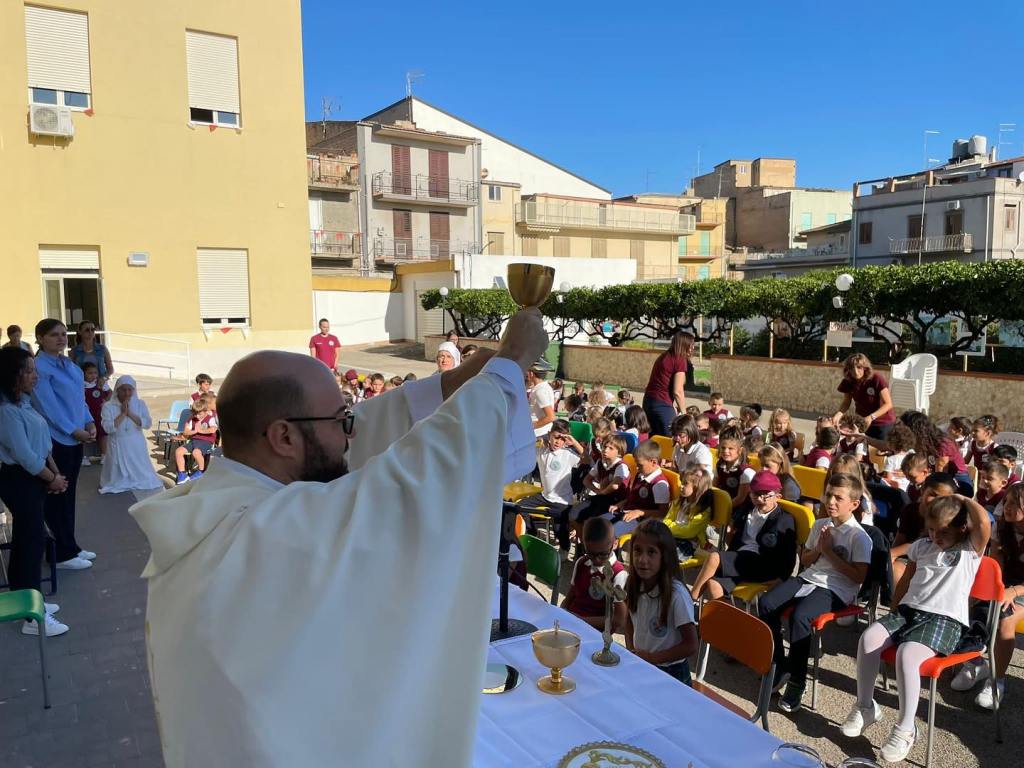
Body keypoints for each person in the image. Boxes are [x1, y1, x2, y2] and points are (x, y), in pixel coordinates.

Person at [131, 309, 545, 767]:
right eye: (342, 421)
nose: (352, 434)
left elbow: (362, 428)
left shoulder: (212, 502)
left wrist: (454, 384)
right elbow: (415, 483)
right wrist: (511, 362)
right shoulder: (270, 535)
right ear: (283, 437)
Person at [841, 494, 989, 763]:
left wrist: (961, 498)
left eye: (943, 532)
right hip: (909, 611)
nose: (936, 536)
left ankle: (906, 728)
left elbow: (984, 524)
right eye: (931, 529)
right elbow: (907, 579)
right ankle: (865, 707)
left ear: (961, 529)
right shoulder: (922, 546)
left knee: (907, 654)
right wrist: (895, 609)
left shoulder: (969, 550)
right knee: (869, 637)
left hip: (944, 619)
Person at [760, 474, 872, 713]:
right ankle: (781, 665)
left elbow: (859, 577)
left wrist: (830, 552)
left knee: (801, 617)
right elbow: (807, 560)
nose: (830, 501)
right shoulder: (821, 525)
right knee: (767, 602)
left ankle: (797, 681)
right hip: (810, 578)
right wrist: (820, 549)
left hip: (837, 588)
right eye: (829, 495)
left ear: (853, 504)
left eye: (838, 498)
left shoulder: (859, 537)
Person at [0, 347, 68, 636]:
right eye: (28, 370)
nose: (34, 375)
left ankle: (26, 598)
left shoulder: (23, 402)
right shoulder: (5, 411)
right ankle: (32, 618)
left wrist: (55, 473)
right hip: (20, 479)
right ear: (12, 375)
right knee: (30, 543)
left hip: (37, 474)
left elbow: (44, 444)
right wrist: (51, 478)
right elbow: (25, 456)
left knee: (31, 539)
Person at [950, 483, 1024, 708]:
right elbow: (994, 566)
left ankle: (997, 680)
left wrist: (1013, 591)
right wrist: (993, 589)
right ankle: (975, 662)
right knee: (962, 603)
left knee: (1005, 619)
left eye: (1014, 503)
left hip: (1021, 590)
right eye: (1007, 502)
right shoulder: (1002, 529)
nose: (1007, 507)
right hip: (1006, 586)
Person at [31, 319, 96, 570]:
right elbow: (48, 407)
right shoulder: (39, 367)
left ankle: (71, 545)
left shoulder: (68, 363)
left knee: (68, 496)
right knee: (57, 497)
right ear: (39, 338)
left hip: (76, 436)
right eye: (53, 335)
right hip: (56, 440)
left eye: (63, 334)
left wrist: (89, 422)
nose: (60, 338)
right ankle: (61, 554)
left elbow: (79, 399)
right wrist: (73, 430)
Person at [690, 471, 798, 601]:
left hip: (763, 564)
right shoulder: (746, 510)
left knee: (714, 558)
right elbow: (734, 539)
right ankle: (727, 620)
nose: (759, 499)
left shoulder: (784, 519)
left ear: (778, 496)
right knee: (714, 584)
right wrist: (731, 532)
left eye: (765, 496)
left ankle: (689, 601)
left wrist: (782, 578)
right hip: (741, 561)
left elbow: (789, 552)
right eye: (755, 494)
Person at [625, 519, 699, 685]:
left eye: (651, 552)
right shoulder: (633, 583)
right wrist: (631, 651)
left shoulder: (676, 595)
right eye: (637, 550)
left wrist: (653, 658)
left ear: (664, 556)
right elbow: (629, 618)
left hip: (671, 673)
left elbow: (691, 645)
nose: (642, 560)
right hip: (642, 664)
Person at [514, 419, 581, 552]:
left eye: (563, 439)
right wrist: (543, 437)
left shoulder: (568, 454)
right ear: (549, 434)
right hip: (545, 496)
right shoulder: (541, 449)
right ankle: (533, 533)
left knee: (559, 528)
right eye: (556, 437)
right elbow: (526, 441)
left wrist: (574, 443)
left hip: (562, 500)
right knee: (520, 507)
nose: (558, 442)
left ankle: (564, 548)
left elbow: (586, 458)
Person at [561, 517, 628, 632]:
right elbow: (570, 596)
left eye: (603, 554)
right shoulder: (581, 562)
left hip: (596, 632)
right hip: (572, 623)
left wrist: (581, 621)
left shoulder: (618, 574)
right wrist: (561, 613)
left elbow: (619, 619)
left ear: (615, 544)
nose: (596, 560)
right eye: (591, 554)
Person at [99, 376, 163, 494]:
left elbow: (147, 423)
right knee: (117, 476)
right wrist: (123, 414)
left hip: (136, 442)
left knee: (142, 474)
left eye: (130, 390)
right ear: (117, 390)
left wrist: (130, 414)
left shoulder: (140, 404)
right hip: (118, 442)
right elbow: (108, 428)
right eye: (124, 390)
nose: (127, 393)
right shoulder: (108, 406)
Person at [570, 434, 630, 536]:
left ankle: (588, 543)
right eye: (604, 446)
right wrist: (598, 491)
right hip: (602, 496)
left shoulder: (621, 466)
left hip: (616, 502)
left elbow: (615, 485)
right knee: (573, 514)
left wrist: (602, 491)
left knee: (591, 523)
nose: (605, 450)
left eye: (610, 448)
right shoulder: (600, 463)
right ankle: (583, 542)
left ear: (619, 452)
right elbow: (586, 480)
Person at [609, 440, 670, 537]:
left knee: (609, 533)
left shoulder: (659, 484)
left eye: (640, 465)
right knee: (599, 524)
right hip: (626, 513)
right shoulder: (641, 474)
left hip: (641, 521)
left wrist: (639, 512)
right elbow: (633, 497)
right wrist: (621, 504)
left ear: (653, 462)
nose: (637, 468)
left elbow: (662, 513)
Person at [642, 331, 694, 438]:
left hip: (648, 401)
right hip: (662, 404)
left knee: (655, 441)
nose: (692, 348)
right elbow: (678, 391)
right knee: (673, 439)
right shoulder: (679, 359)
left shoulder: (663, 356)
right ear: (685, 345)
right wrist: (684, 414)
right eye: (691, 345)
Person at [833, 353, 894, 440]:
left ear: (865, 367)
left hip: (882, 423)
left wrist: (871, 417)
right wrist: (839, 414)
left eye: (859, 367)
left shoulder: (876, 378)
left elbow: (888, 404)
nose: (855, 371)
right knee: (861, 449)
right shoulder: (848, 381)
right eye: (851, 368)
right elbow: (846, 402)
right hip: (862, 422)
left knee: (878, 451)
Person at [665, 466, 714, 558]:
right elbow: (667, 520)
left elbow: (688, 532)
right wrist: (668, 529)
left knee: (668, 555)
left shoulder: (703, 510)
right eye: (681, 482)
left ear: (697, 488)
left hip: (689, 543)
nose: (681, 486)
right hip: (672, 536)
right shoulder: (678, 502)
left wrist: (668, 528)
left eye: (685, 483)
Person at [172, 396, 217, 484]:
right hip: (194, 441)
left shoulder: (210, 418)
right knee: (178, 451)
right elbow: (186, 432)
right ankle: (182, 474)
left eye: (199, 414)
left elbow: (213, 429)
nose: (197, 416)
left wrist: (201, 431)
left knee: (196, 452)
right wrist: (194, 431)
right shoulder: (192, 419)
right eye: (195, 414)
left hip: (206, 441)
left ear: (205, 411)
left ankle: (201, 471)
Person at [715, 426, 754, 509]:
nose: (725, 451)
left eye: (730, 448)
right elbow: (714, 487)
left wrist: (723, 508)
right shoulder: (720, 465)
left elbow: (740, 499)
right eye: (723, 447)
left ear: (740, 451)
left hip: (738, 509)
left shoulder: (746, 471)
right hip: (721, 504)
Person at [68, 320, 114, 386]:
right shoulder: (74, 350)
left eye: (92, 330)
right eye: (87, 330)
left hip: (100, 385)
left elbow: (110, 369)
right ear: (80, 332)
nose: (90, 332)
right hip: (81, 385)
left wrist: (103, 378)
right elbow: (71, 370)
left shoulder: (102, 349)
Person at [82, 361, 111, 465]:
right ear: (83, 374)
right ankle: (85, 456)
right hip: (86, 416)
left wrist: (105, 401)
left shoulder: (100, 384)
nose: (93, 375)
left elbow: (110, 393)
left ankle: (104, 455)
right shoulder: (81, 386)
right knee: (86, 435)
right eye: (90, 373)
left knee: (103, 434)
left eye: (95, 373)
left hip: (100, 415)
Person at [669, 414, 713, 478]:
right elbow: (675, 470)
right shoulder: (678, 447)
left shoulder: (701, 452)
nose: (677, 438)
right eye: (675, 435)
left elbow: (701, 478)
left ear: (691, 432)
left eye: (681, 435)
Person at [880, 423, 916, 491]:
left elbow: (888, 479)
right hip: (909, 489)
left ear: (891, 443)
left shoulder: (891, 460)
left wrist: (878, 477)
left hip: (896, 491)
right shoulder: (912, 455)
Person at [527, 363, 555, 437]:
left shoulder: (540, 391)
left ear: (531, 374)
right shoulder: (545, 387)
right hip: (541, 432)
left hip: (538, 433)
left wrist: (532, 426)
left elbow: (551, 416)